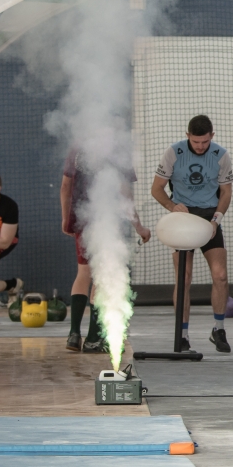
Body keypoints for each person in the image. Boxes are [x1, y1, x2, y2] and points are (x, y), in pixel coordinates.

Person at [151, 115, 233, 353]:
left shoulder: (221, 155)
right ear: (187, 136)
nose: (200, 146)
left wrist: (217, 219)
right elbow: (156, 189)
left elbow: (226, 192)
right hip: (183, 219)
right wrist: (172, 207)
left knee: (220, 275)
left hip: (209, 218)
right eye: (196, 142)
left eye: (205, 142)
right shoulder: (173, 153)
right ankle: (183, 333)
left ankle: (218, 329)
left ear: (212, 136)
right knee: (184, 277)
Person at [61, 149, 151, 353]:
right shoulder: (117, 147)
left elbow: (66, 186)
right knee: (101, 276)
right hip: (108, 220)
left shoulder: (76, 149)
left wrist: (66, 218)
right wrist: (139, 226)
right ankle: (93, 339)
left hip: (82, 218)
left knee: (83, 273)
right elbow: (124, 192)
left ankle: (74, 335)